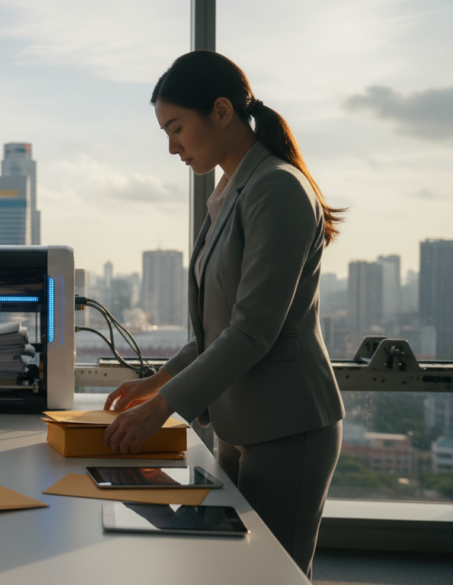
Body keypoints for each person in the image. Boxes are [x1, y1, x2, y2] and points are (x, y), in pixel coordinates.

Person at [102, 50, 345, 576]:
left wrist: (161, 406)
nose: (172, 147)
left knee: (269, 574)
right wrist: (159, 379)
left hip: (288, 424)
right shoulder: (231, 191)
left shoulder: (276, 187)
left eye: (176, 128)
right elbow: (219, 326)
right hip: (238, 422)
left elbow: (253, 330)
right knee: (228, 571)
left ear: (220, 111)